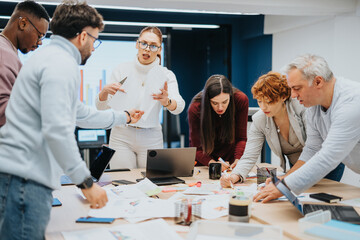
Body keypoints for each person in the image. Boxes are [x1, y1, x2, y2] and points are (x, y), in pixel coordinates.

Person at [0, 2, 143, 239]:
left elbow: (80, 113)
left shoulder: (50, 57)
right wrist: (86, 183)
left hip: (19, 178)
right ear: (83, 36)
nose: (94, 48)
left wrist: (123, 116)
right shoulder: (61, 64)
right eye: (95, 41)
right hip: (25, 180)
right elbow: (57, 130)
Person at [253, 54, 360, 203]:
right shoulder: (313, 107)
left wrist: (284, 186)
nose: (293, 95)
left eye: (297, 88)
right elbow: (312, 149)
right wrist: (285, 179)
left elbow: (328, 156)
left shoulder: (351, 103)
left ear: (318, 81)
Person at [220, 71, 344, 188]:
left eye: (269, 101)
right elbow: (249, 156)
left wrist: (288, 177)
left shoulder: (302, 108)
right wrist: (234, 176)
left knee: (324, 199)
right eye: (259, 101)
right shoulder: (260, 119)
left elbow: (315, 148)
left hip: (325, 162)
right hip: (297, 167)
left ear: (283, 97)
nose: (263, 107)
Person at [96, 26, 185, 169]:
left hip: (151, 136)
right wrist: (104, 92)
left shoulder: (166, 75)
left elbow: (179, 107)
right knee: (122, 182)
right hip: (122, 134)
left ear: (159, 49)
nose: (147, 49)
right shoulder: (121, 69)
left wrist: (166, 101)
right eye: (143, 43)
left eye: (153, 46)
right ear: (137, 44)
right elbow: (101, 106)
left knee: (152, 182)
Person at [0, 0, 50, 127]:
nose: (40, 43)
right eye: (39, 36)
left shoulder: (8, 51)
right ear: (23, 23)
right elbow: (3, 114)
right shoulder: (3, 54)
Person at [188, 74, 249, 171]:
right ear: (208, 101)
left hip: (230, 162)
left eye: (225, 102)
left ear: (230, 97)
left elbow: (241, 138)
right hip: (204, 163)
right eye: (215, 103)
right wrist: (213, 164)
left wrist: (238, 160)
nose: (220, 108)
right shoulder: (196, 108)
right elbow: (197, 148)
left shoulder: (240, 100)